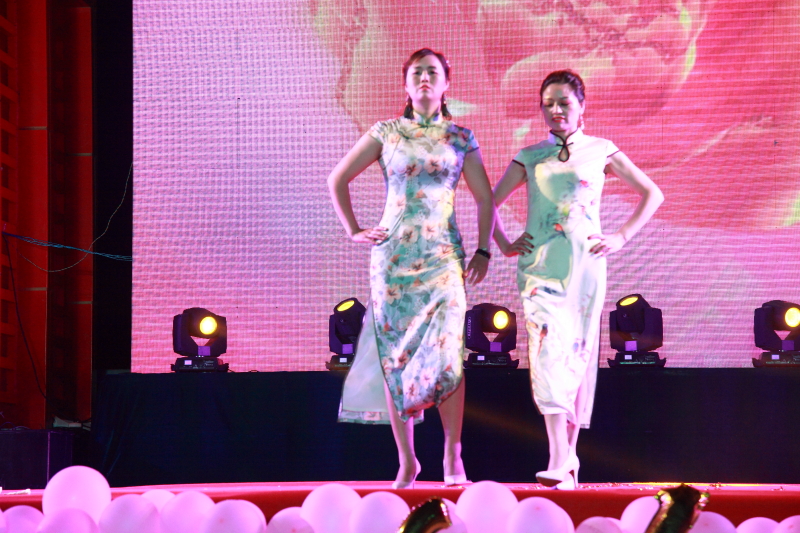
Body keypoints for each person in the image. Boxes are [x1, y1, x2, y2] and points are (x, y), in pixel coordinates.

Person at [327, 48, 495, 489]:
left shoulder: (460, 137)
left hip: (443, 258)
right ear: (405, 83)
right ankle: (407, 461)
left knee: (448, 354)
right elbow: (337, 178)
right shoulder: (387, 132)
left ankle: (453, 453)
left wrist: (483, 250)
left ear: (446, 84)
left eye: (432, 72)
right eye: (416, 72)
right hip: (394, 259)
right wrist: (354, 229)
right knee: (396, 355)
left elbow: (485, 197)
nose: (424, 78)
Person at [492, 70, 664, 489]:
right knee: (547, 352)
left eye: (564, 102)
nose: (555, 110)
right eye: (548, 103)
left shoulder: (601, 150)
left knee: (577, 357)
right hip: (539, 270)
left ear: (582, 105)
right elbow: (488, 203)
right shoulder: (530, 155)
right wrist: (504, 242)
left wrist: (621, 236)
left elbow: (652, 193)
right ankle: (558, 455)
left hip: (586, 269)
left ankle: (569, 459)